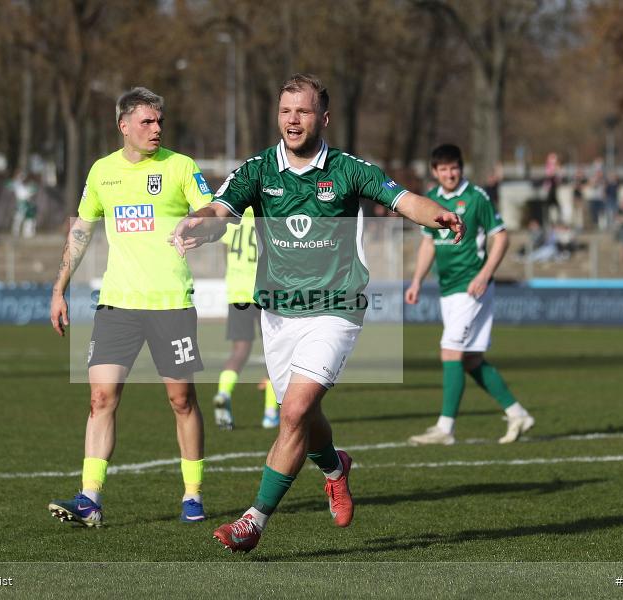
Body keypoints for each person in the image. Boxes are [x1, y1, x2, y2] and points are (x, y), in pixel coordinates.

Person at [171, 74, 464, 553]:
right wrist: (197, 225)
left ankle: (253, 521)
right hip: (280, 313)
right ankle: (335, 467)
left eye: (303, 112)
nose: (293, 120)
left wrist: (439, 214)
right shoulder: (259, 169)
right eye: (286, 111)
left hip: (336, 309)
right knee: (302, 417)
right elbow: (221, 210)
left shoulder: (348, 169)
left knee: (294, 412)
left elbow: (403, 198)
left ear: (323, 118)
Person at [47, 87, 214, 527]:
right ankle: (89, 498)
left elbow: (217, 213)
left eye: (160, 121)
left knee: (181, 400)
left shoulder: (181, 167)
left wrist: (205, 229)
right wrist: (59, 287)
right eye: (147, 121)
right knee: (100, 397)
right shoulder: (102, 172)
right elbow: (81, 231)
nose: (157, 128)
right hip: (117, 304)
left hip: (170, 304)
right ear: (124, 126)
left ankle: (193, 495)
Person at [405, 144, 534, 446]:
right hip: (448, 289)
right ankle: (518, 414)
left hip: (472, 288)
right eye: (444, 169)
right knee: (472, 360)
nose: (450, 174)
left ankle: (445, 429)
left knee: (450, 351)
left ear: (461, 168)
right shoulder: (432, 201)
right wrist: (416, 281)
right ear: (435, 172)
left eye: (455, 167)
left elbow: (501, 237)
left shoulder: (476, 197)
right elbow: (428, 244)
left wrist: (485, 274)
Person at [212, 207, 280, 430]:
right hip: (264, 291)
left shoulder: (233, 220)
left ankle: (223, 392)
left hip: (237, 292)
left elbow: (226, 253)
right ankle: (270, 413)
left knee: (239, 351)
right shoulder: (266, 217)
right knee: (275, 352)